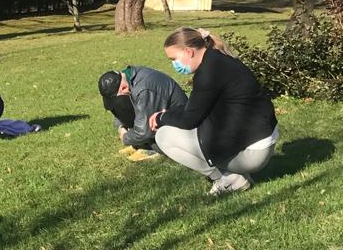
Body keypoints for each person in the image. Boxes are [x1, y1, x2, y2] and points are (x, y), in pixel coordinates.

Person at [151, 27, 279, 196]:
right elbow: (197, 106)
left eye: (173, 59)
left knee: (164, 136)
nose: (173, 64)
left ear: (188, 52)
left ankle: (228, 179)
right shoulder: (219, 60)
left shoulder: (209, 72)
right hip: (262, 142)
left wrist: (161, 118)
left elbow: (190, 118)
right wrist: (169, 114)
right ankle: (234, 173)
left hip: (251, 154)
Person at [98, 66, 187, 158]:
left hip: (178, 127)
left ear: (124, 88)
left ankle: (151, 148)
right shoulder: (127, 77)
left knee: (150, 137)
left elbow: (144, 132)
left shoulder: (143, 89)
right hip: (159, 116)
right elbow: (119, 108)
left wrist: (125, 137)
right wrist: (121, 126)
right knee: (122, 103)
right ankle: (141, 144)